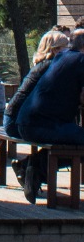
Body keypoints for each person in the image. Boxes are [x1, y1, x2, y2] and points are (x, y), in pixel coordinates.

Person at [15, 28, 84, 203]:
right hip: (43, 125)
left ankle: (30, 166)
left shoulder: (62, 57)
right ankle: (36, 169)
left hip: (26, 121)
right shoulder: (81, 61)